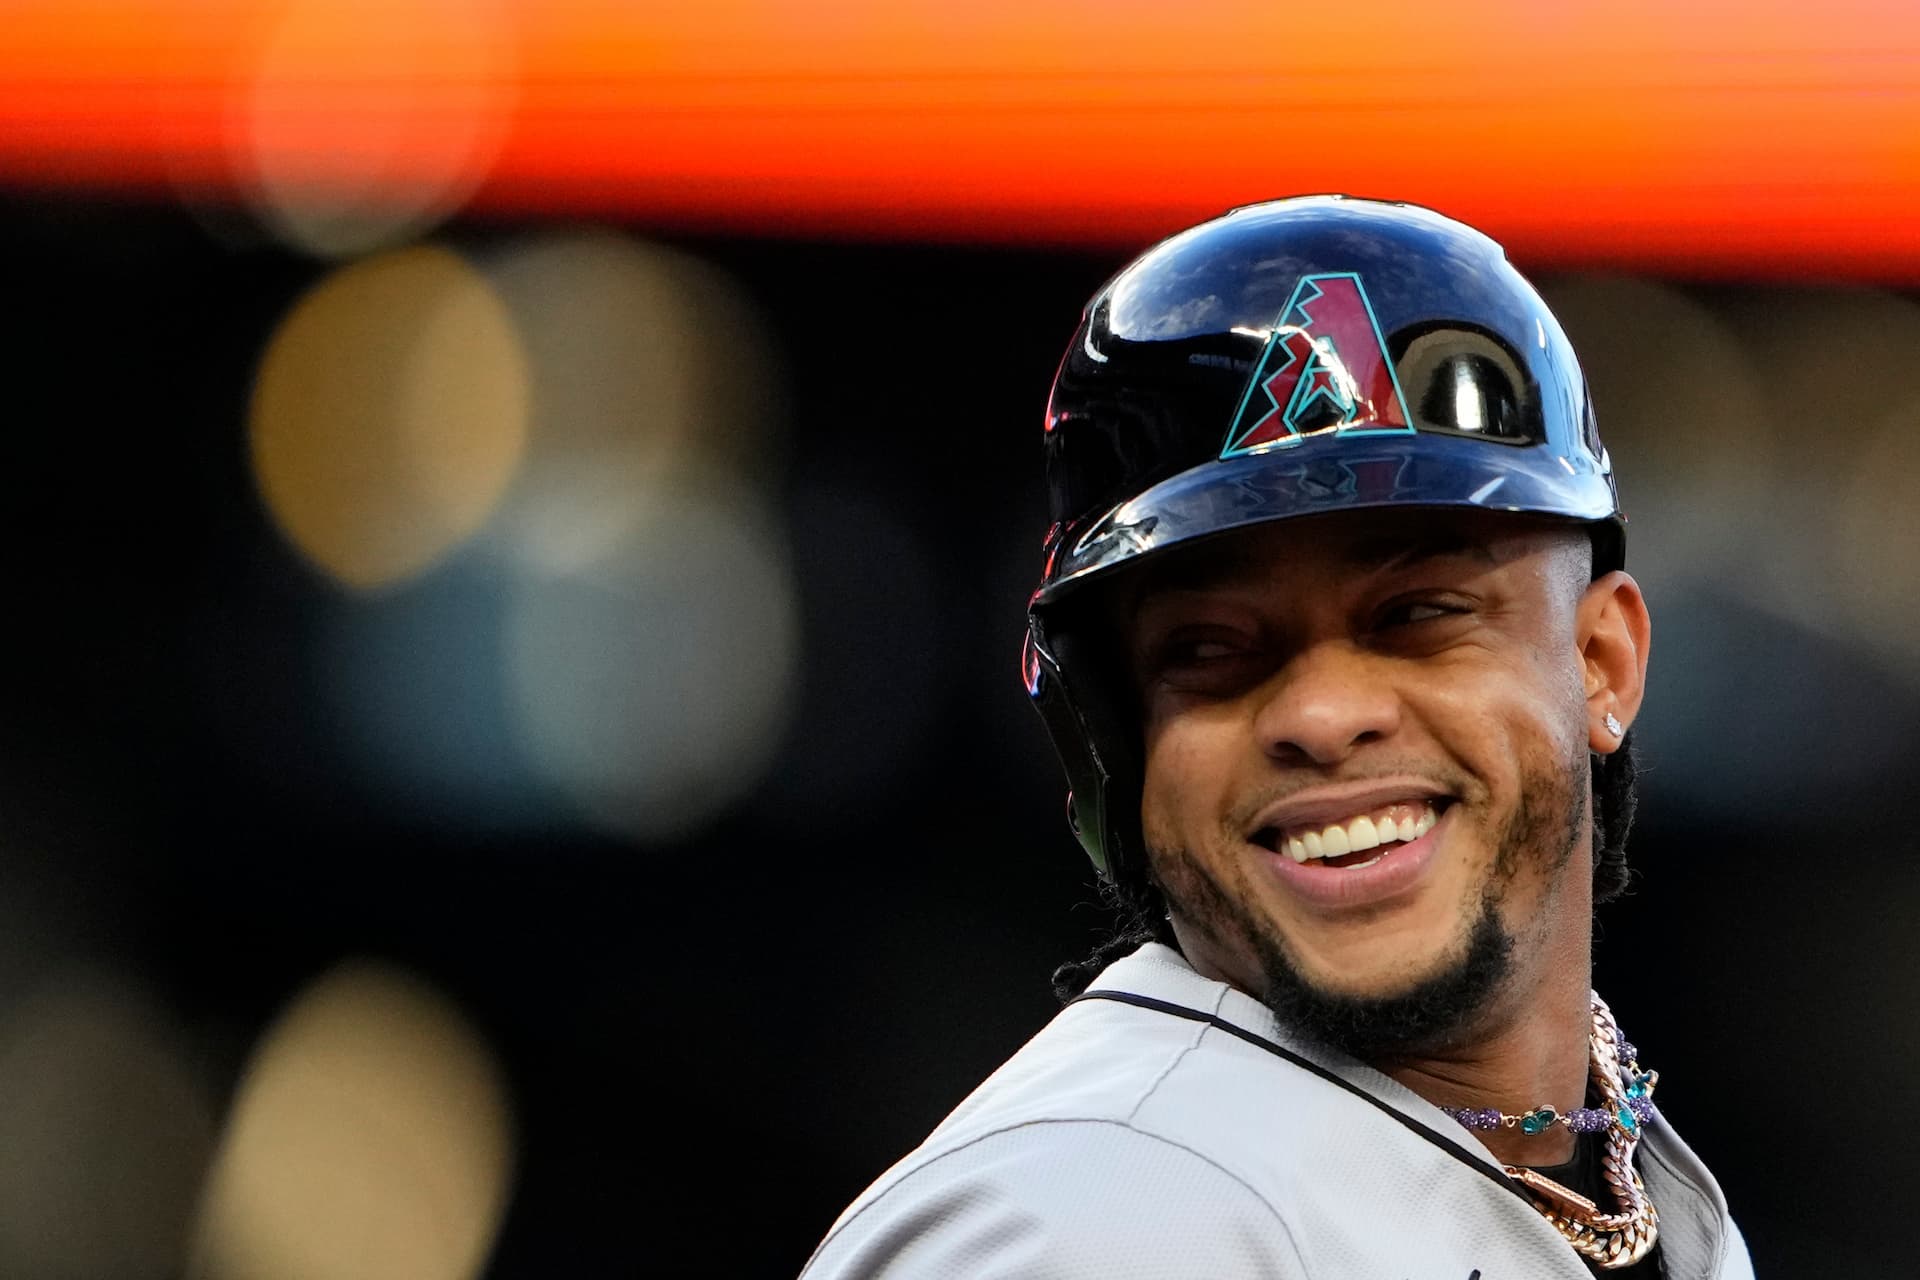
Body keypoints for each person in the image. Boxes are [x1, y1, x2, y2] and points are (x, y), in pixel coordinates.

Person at [800, 196, 1751, 1278]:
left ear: (1600, 662)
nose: (1321, 715)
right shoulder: (1084, 1223)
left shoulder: (1607, 1165)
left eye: (1414, 614)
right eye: (1210, 648)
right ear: (1121, 745)